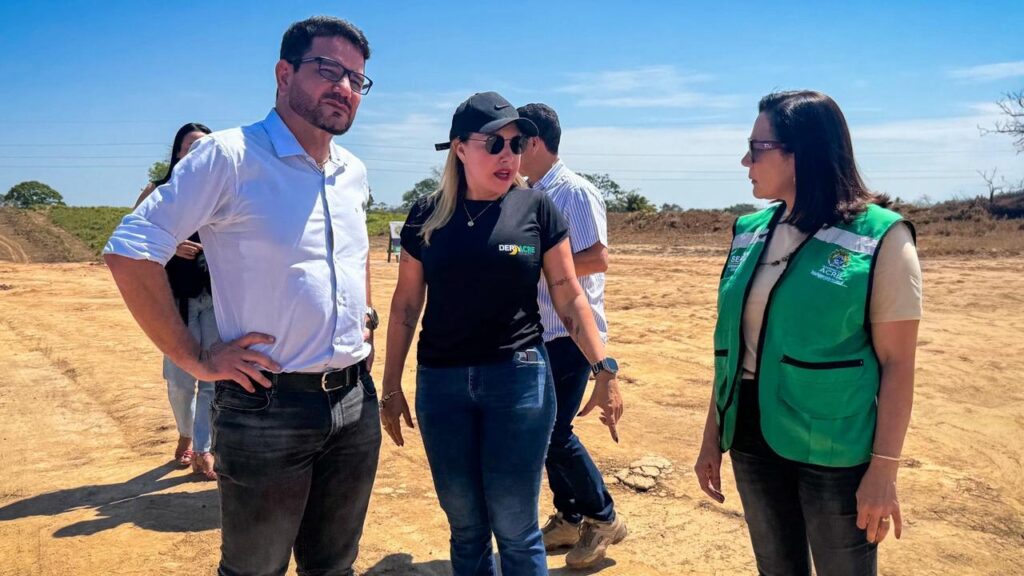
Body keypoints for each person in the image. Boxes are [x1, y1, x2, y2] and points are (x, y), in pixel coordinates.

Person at [103, 16, 381, 576]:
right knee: (255, 570)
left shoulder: (352, 170)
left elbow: (357, 256)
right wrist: (194, 358)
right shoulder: (229, 156)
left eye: (356, 79)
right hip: (266, 407)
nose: (344, 88)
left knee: (334, 567)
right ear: (284, 73)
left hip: (354, 402)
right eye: (329, 69)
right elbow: (130, 248)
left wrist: (366, 321)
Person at [379, 91, 624, 576]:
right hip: (442, 386)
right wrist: (390, 386)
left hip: (519, 381)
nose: (508, 155)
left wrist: (604, 368)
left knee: (515, 526)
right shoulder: (426, 215)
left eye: (516, 144)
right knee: (466, 526)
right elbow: (406, 305)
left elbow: (568, 294)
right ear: (459, 148)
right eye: (494, 143)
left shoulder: (537, 208)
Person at [693, 90, 922, 576]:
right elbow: (732, 347)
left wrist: (883, 470)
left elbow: (898, 363)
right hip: (751, 438)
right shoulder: (750, 230)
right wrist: (711, 437)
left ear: (801, 153)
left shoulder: (881, 237)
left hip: (834, 449)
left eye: (756, 148)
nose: (745, 161)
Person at [516, 103, 626, 568]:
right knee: (541, 432)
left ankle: (603, 517)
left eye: (514, 142)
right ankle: (569, 516)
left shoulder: (574, 192)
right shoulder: (530, 192)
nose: (508, 152)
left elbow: (598, 258)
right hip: (539, 331)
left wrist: (539, 264)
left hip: (570, 333)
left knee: (554, 433)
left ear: (535, 142)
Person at [136, 122, 218, 479]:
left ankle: (203, 448)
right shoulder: (158, 192)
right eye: (191, 148)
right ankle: (185, 432)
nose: (198, 154)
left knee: (213, 377)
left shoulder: (221, 192)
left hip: (216, 298)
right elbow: (131, 243)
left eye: (205, 148)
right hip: (175, 300)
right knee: (180, 380)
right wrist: (170, 247)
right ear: (177, 153)